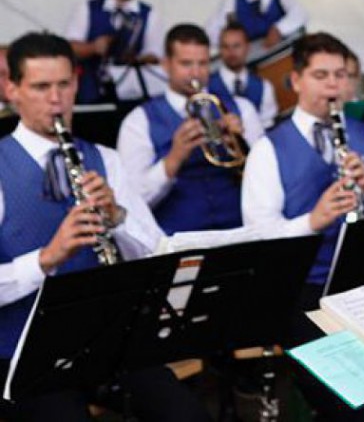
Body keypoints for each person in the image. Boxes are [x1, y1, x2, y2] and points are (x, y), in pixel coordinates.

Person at [0, 33, 209, 421]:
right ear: (11, 89)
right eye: (41, 87)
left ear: (77, 84)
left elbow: (156, 255)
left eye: (64, 85)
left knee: (187, 414)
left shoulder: (105, 159)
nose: (56, 99)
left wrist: (118, 218)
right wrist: (46, 259)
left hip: (109, 339)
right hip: (23, 353)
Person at [241, 32, 364, 419]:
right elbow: (258, 236)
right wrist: (313, 221)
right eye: (321, 75)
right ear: (296, 81)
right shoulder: (267, 149)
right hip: (303, 291)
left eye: (341, 75)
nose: (334, 85)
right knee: (350, 396)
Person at [117, 24, 264, 235]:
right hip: (178, 240)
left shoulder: (242, 108)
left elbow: (267, 182)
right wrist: (173, 160)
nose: (195, 73)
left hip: (240, 231)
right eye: (186, 64)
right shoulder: (138, 121)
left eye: (202, 63)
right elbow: (132, 201)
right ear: (166, 65)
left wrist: (241, 145)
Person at [64, 0, 164, 103]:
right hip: (90, 91)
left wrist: (136, 59)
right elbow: (69, 48)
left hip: (130, 95)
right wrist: (93, 48)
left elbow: (155, 54)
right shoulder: (88, 8)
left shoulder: (149, 14)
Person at [210, 21, 279, 128]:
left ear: (247, 47)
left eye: (236, 46)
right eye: (225, 46)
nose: (231, 52)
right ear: (220, 49)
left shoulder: (264, 87)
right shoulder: (206, 86)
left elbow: (268, 127)